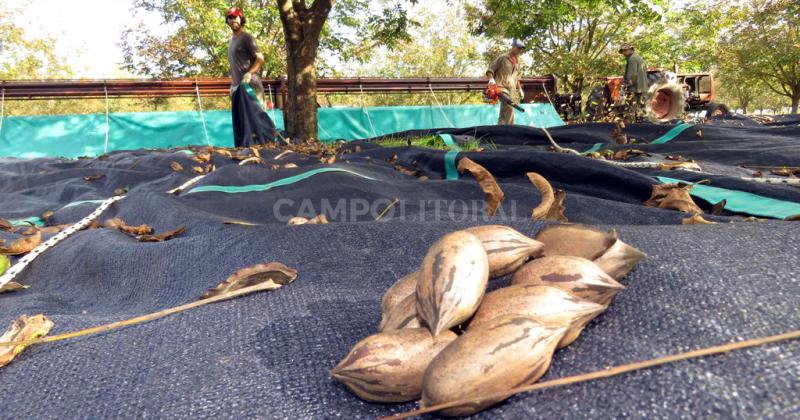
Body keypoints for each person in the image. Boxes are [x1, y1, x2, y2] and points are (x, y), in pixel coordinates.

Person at [225, 7, 275, 146]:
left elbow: (260, 58)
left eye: (235, 17)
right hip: (238, 88)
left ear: (241, 19)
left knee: (258, 120)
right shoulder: (232, 41)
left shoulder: (246, 38)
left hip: (251, 86)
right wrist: (232, 84)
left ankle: (266, 149)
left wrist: (249, 73)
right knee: (243, 123)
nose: (232, 20)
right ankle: (247, 152)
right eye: (230, 17)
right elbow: (235, 66)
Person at [486, 39, 526, 125]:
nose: (520, 50)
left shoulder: (517, 62)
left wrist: (520, 90)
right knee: (509, 105)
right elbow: (490, 70)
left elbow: (516, 78)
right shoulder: (502, 57)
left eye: (521, 49)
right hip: (500, 87)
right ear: (513, 47)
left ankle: (504, 130)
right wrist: (491, 79)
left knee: (506, 111)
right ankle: (507, 130)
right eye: (518, 48)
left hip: (511, 89)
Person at [619, 43, 649, 118]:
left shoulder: (632, 59)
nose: (623, 53)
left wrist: (626, 84)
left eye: (625, 50)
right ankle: (644, 124)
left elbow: (632, 74)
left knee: (632, 109)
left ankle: (633, 126)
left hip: (635, 88)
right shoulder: (639, 57)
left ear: (631, 50)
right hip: (642, 87)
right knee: (643, 109)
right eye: (623, 51)